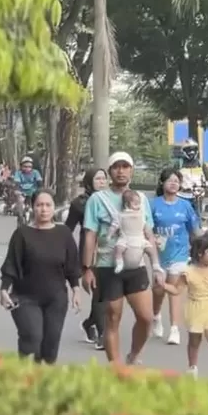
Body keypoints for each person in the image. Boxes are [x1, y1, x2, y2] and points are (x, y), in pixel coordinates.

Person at [82, 152, 157, 365]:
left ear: (131, 170)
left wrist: (157, 267)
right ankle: (116, 368)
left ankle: (133, 355)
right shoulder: (97, 200)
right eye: (116, 167)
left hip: (136, 265)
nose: (121, 171)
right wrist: (87, 268)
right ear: (109, 172)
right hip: (108, 266)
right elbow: (90, 235)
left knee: (146, 317)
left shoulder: (141, 200)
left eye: (125, 166)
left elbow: (148, 233)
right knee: (113, 317)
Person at [0, 189, 83, 364]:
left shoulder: (64, 234)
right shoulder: (22, 234)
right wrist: (4, 289)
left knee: (50, 348)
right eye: (39, 205)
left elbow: (72, 265)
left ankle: (45, 382)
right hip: (25, 297)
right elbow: (11, 263)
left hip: (56, 298)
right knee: (32, 339)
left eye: (47, 205)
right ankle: (28, 380)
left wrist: (76, 289)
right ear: (32, 207)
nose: (43, 209)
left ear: (54, 208)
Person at [160, 233, 208, 377]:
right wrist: (163, 285)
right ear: (199, 254)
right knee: (195, 340)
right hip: (195, 308)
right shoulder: (187, 272)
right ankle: (192, 367)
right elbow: (176, 290)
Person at [151, 168, 202, 345]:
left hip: (179, 254)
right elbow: (147, 229)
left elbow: (194, 230)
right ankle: (156, 316)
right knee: (158, 289)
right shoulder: (153, 204)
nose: (173, 183)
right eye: (170, 180)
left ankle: (174, 329)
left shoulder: (185, 206)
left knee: (174, 288)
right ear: (162, 183)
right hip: (158, 255)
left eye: (176, 181)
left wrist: (201, 249)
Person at [65, 169, 109, 349]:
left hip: (110, 251)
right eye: (98, 179)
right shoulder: (80, 203)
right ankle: (102, 334)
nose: (101, 182)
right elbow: (68, 228)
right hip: (89, 253)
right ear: (89, 182)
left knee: (107, 296)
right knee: (99, 293)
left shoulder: (112, 200)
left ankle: (89, 323)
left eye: (104, 178)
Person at [109, 189, 166, 276]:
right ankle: (119, 263)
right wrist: (110, 234)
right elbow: (114, 225)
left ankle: (155, 265)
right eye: (135, 204)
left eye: (139, 203)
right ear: (126, 204)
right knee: (118, 249)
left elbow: (146, 227)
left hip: (139, 239)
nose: (138, 206)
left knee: (151, 251)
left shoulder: (141, 214)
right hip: (126, 239)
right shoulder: (121, 215)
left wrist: (153, 237)